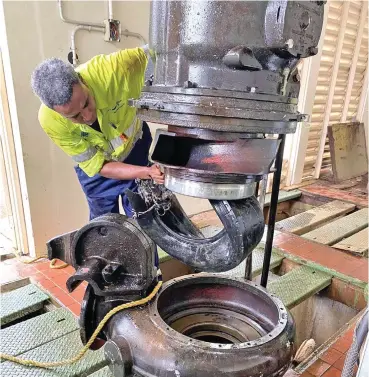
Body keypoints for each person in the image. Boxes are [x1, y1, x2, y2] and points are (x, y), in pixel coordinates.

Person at [31, 47, 164, 221]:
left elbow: (164, 54)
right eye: (75, 116)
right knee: (103, 230)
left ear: (82, 80)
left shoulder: (117, 68)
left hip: (135, 149)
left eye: (86, 102)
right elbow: (99, 166)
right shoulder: (50, 120)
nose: (87, 116)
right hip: (97, 170)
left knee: (146, 220)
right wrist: (144, 171)